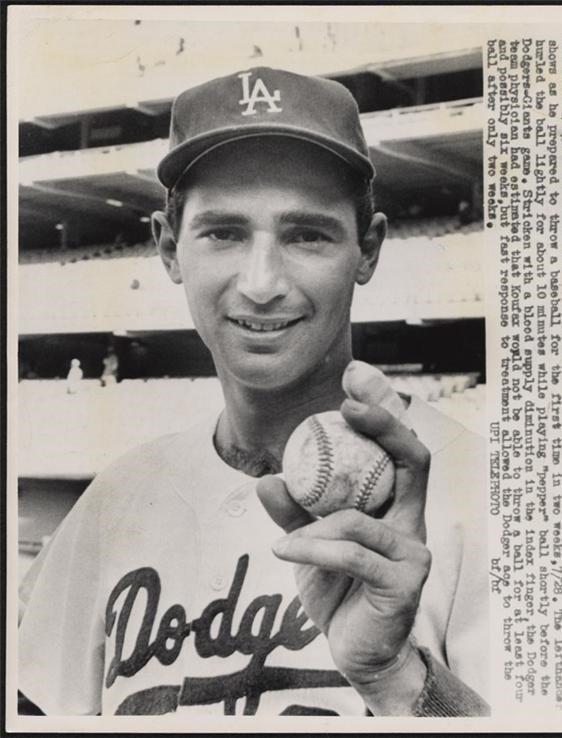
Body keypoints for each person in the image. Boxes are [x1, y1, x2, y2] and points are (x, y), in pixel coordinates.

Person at [19, 67, 489, 717]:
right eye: (223, 232)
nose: (262, 282)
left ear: (369, 250)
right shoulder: (116, 499)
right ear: (168, 248)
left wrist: (394, 674)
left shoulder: (489, 496)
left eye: (307, 234)